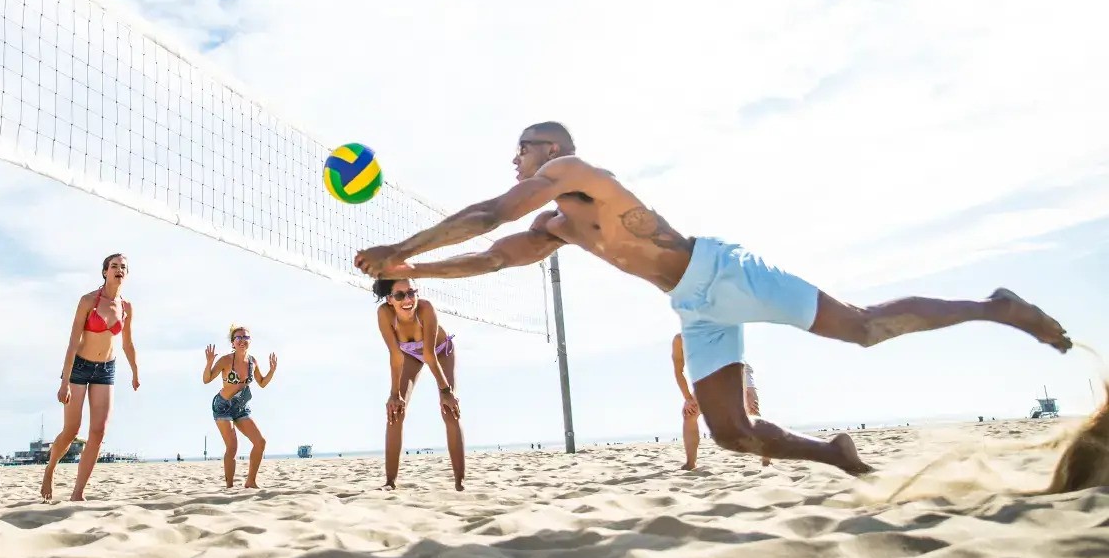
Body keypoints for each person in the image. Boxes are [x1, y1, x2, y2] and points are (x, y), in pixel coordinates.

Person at [353, 121, 1073, 476]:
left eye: (522, 148)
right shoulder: (556, 226)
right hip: (694, 308)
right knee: (731, 432)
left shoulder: (575, 172)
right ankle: (840, 455)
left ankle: (995, 305)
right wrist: (409, 271)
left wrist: (401, 249)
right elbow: (489, 255)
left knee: (860, 328)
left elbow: (487, 215)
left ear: (550, 149)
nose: (515, 158)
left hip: (723, 271)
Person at [41, 253, 140, 501]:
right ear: (105, 271)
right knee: (72, 430)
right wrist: (64, 381)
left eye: (123, 267)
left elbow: (127, 343)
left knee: (98, 431)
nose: (119, 270)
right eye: (114, 266)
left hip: (106, 369)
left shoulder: (127, 308)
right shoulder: (88, 301)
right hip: (79, 367)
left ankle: (78, 493)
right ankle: (50, 469)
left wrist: (136, 372)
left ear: (126, 274)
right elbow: (73, 341)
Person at [375, 279, 466, 491]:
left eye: (411, 292)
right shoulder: (384, 314)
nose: (407, 299)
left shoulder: (425, 309)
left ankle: (460, 482)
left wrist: (446, 392)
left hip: (440, 351)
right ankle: (390, 482)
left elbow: (429, 354)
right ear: (390, 300)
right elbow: (395, 355)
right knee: (395, 411)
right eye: (399, 296)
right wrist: (394, 394)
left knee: (449, 410)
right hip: (409, 355)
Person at [672, 333, 768, 470]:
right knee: (689, 414)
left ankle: (766, 458)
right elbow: (678, 371)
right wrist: (688, 399)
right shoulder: (679, 340)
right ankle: (690, 463)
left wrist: (745, 395)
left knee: (751, 410)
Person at [203, 325, 277, 488]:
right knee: (232, 447)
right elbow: (206, 379)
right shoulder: (225, 360)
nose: (242, 340)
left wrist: (272, 371)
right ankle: (229, 486)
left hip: (241, 407)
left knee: (260, 442)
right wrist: (209, 363)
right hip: (223, 406)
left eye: (245, 337)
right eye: (238, 338)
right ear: (233, 342)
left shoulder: (252, 361)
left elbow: (262, 383)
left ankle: (250, 481)